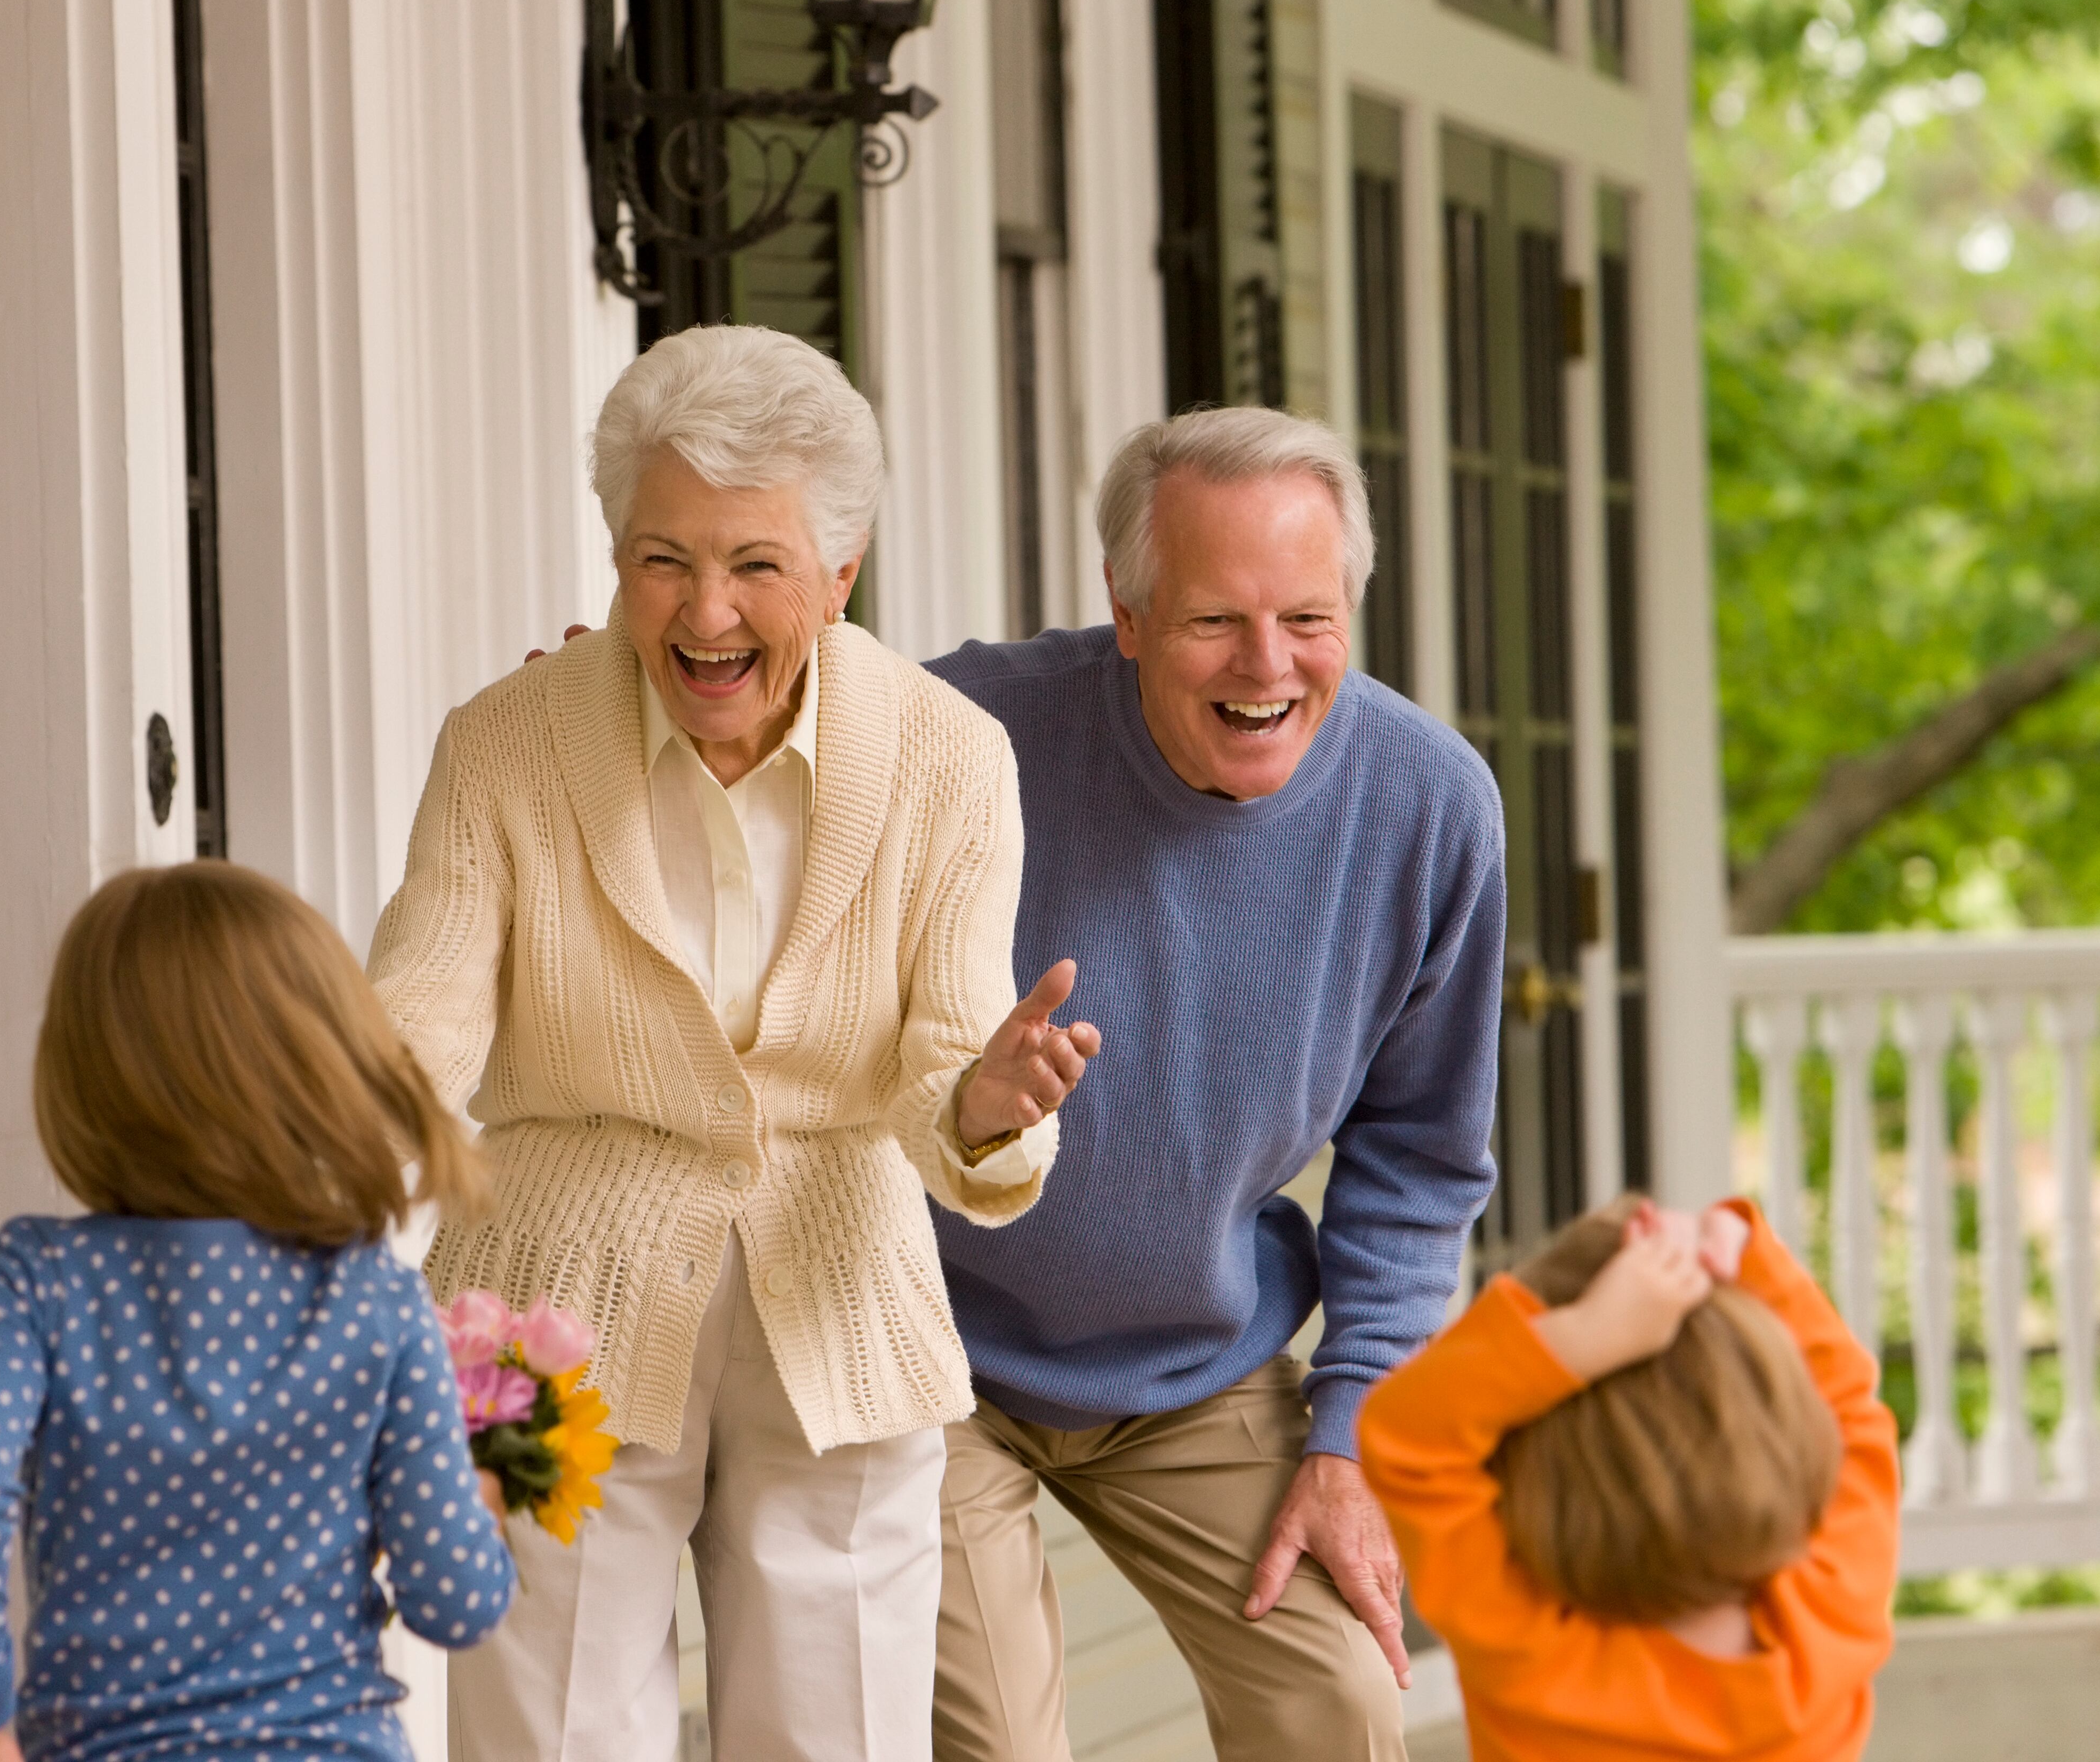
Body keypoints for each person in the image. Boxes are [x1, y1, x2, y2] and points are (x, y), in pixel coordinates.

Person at [366, 324, 1100, 1761]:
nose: (703, 613)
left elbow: (950, 1054)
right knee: (549, 1730)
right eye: (660, 559)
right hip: (546, 1296)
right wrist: (278, 1195)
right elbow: (411, 1028)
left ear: (839, 571)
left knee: (840, 1731)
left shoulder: (949, 757)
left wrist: (989, 1104)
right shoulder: (505, 742)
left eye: (754, 566)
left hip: (836, 1283)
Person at [924, 407, 1504, 1762]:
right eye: (1211, 623)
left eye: (1308, 617)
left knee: (1343, 1704)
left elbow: (1419, 1160)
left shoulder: (1428, 807)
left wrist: (1350, 1435)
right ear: (1125, 613)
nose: (1266, 666)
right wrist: (618, 694)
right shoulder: (955, 733)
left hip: (1200, 1360)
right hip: (932, 1351)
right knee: (996, 1745)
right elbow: (759, 736)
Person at [0, 862, 515, 1762]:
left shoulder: (32, 1282)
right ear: (320, 1063)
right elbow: (454, 1605)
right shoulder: (372, 1302)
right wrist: (483, 1503)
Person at [1357, 1195, 1900, 1760]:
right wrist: (1743, 1251)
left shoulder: (1532, 1656)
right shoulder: (1835, 1614)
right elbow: (1854, 1415)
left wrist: (1582, 1337)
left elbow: (1408, 1435)